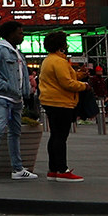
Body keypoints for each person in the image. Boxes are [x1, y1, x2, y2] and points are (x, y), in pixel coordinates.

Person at [0, 21, 36, 179]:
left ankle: (17, 169)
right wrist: (8, 86)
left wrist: (24, 92)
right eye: (20, 33)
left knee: (14, 133)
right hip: (2, 97)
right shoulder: (0, 51)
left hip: (15, 98)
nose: (22, 36)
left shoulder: (16, 52)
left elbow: (22, 75)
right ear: (11, 34)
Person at [37, 32, 89, 180]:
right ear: (61, 45)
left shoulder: (49, 60)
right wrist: (84, 86)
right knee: (60, 137)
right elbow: (67, 83)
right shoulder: (59, 62)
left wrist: (78, 75)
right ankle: (62, 170)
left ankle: (53, 169)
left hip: (50, 101)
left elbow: (63, 77)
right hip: (61, 102)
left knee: (55, 136)